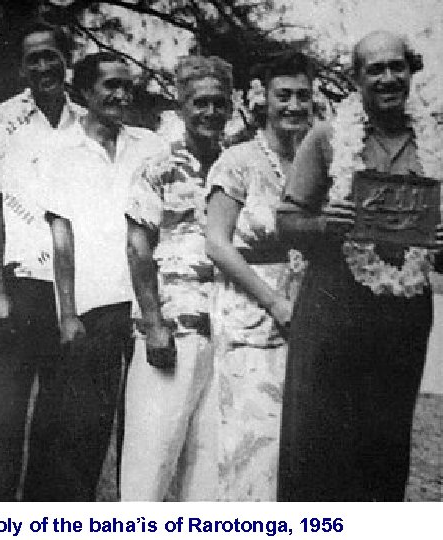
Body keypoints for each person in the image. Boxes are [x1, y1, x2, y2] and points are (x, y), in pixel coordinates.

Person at [276, 31, 443, 501]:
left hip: (404, 316)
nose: (388, 78)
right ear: (356, 78)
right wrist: (325, 223)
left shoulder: (437, 142)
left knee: (385, 447)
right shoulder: (329, 137)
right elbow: (286, 222)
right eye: (375, 69)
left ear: (411, 72)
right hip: (334, 307)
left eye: (397, 67)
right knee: (319, 445)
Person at [29, 52, 165, 501]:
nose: (121, 95)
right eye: (110, 86)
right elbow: (61, 238)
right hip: (93, 306)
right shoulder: (57, 151)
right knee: (81, 431)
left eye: (127, 87)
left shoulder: (149, 147)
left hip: (147, 304)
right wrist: (67, 313)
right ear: (84, 92)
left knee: (144, 431)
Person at [0, 21, 86, 501]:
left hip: (74, 292)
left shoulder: (84, 120)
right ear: (22, 66)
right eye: (32, 58)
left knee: (55, 420)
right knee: (7, 420)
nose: (42, 66)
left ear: (66, 60)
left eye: (50, 56)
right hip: (20, 286)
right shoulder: (3, 120)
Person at [121, 55, 233, 501]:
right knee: (151, 461)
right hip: (172, 332)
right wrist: (153, 324)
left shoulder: (235, 167)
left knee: (207, 467)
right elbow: (137, 246)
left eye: (219, 103)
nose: (210, 113)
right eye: (199, 103)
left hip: (225, 332)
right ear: (182, 106)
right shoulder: (158, 166)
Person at [205, 52, 314, 501]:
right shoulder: (238, 161)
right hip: (252, 316)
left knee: (298, 452)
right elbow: (216, 243)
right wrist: (273, 301)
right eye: (282, 95)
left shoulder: (319, 159)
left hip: (309, 317)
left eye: (302, 96)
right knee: (252, 451)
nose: (293, 105)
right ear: (263, 100)